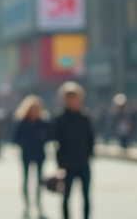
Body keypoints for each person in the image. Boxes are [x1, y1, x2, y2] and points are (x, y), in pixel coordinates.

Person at [53, 82, 95, 219]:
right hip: (67, 164)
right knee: (66, 197)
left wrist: (89, 155)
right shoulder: (60, 117)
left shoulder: (84, 116)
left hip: (83, 162)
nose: (75, 101)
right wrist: (60, 164)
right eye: (71, 97)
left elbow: (91, 138)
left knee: (86, 196)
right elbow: (56, 141)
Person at [13, 95, 50, 218]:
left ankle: (39, 204)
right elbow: (15, 138)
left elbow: (50, 136)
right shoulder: (23, 122)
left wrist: (43, 137)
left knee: (39, 181)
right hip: (27, 153)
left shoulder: (43, 123)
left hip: (39, 154)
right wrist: (24, 142)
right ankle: (27, 205)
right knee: (26, 180)